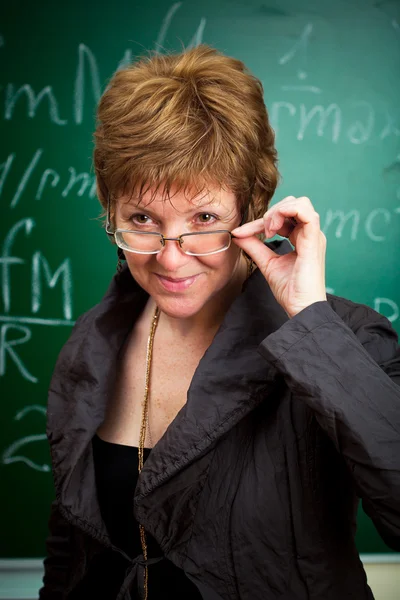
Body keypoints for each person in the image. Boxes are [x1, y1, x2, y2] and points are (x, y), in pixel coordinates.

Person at [39, 44, 400, 600]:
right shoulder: (91, 343)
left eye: (204, 218)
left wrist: (309, 319)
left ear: (253, 206)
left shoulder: (346, 340)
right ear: (111, 211)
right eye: (141, 219)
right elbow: (69, 551)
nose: (170, 256)